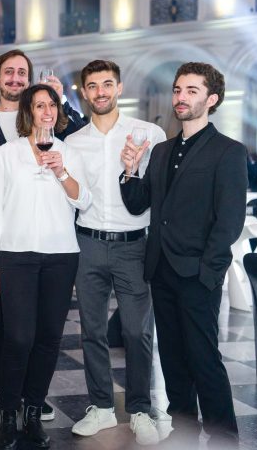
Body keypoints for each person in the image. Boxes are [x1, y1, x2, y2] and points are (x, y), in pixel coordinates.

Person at [120, 62, 247, 446]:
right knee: (173, 359)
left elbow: (229, 222)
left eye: (192, 91)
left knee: (204, 359)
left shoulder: (229, 151)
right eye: (177, 90)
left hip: (198, 274)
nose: (181, 97)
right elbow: (139, 204)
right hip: (161, 269)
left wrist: (209, 271)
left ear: (211, 99)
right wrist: (129, 171)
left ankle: (224, 436)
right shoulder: (159, 151)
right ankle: (183, 430)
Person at [0, 49, 87, 420]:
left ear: (58, 110)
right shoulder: (8, 153)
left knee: (49, 338)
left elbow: (83, 200)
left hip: (60, 256)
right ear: (29, 112)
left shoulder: (70, 151)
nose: (47, 111)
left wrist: (62, 172)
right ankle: (8, 410)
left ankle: (34, 410)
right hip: (15, 255)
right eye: (39, 106)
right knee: (18, 337)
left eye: (52, 105)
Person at [64, 60, 165, 445]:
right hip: (87, 243)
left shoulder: (148, 134)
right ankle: (102, 408)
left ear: (119, 88)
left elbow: (159, 190)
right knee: (90, 330)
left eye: (108, 84)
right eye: (93, 86)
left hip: (133, 245)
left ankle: (141, 409)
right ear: (84, 93)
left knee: (138, 331)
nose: (101, 91)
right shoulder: (73, 142)